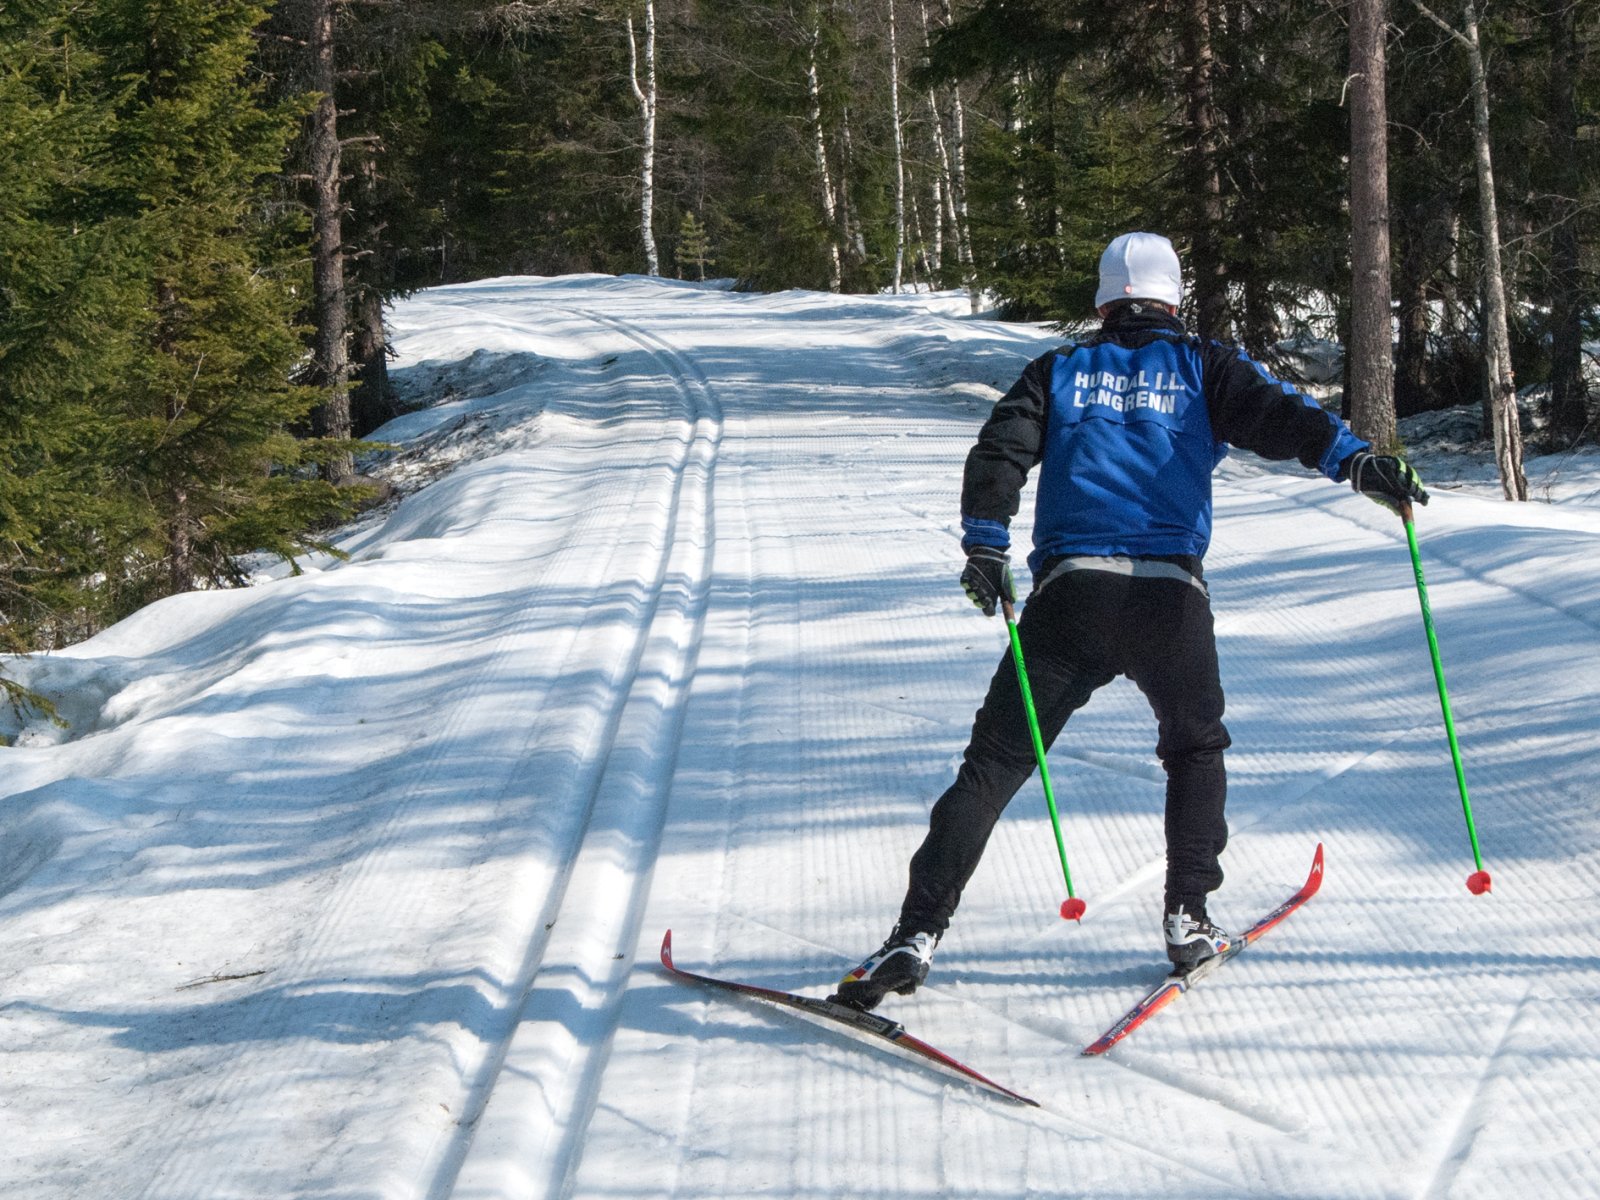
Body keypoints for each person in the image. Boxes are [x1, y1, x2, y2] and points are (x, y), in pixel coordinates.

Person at [830, 231, 1428, 1012]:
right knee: (1194, 748)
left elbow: (1000, 450)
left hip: (1070, 597)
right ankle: (1189, 919)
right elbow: (1281, 417)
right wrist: (1357, 462)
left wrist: (985, 546)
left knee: (996, 763)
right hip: (1168, 599)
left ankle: (913, 935)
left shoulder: (1061, 369)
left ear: (1104, 301)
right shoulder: (1205, 366)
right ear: (1174, 298)